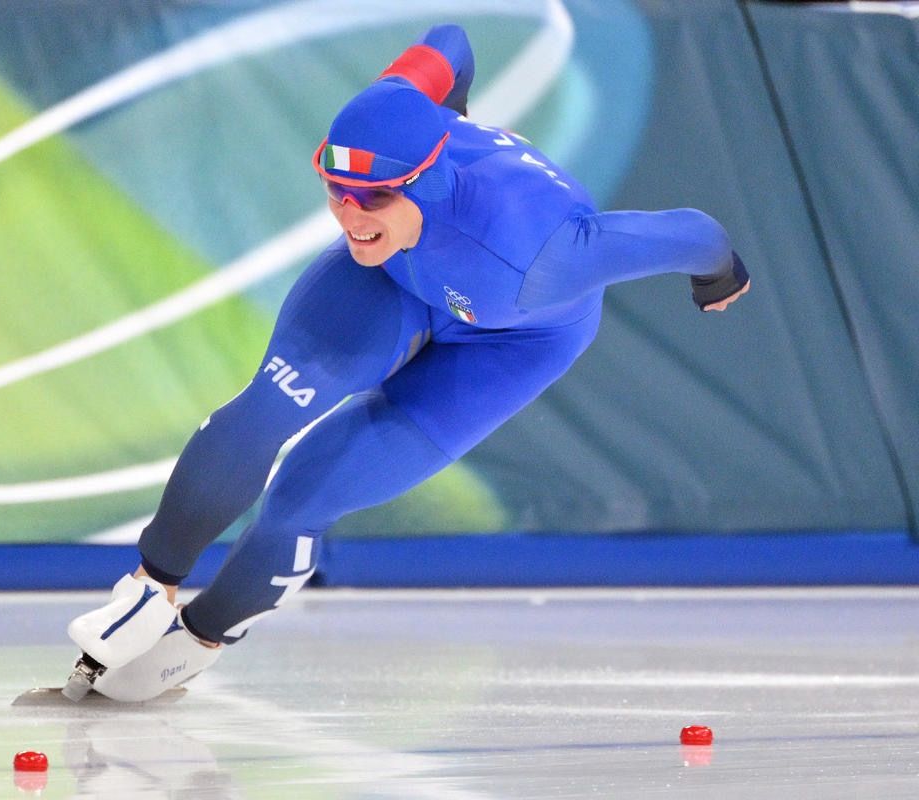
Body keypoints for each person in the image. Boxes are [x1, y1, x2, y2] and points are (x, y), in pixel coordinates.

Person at [61, 24, 751, 702]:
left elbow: (694, 233)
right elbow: (452, 40)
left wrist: (719, 277)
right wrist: (448, 108)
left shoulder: (545, 256)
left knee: (305, 493)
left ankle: (201, 635)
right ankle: (149, 589)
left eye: (376, 196)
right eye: (337, 190)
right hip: (400, 275)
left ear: (426, 178)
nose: (350, 214)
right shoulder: (395, 106)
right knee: (267, 408)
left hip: (509, 338)